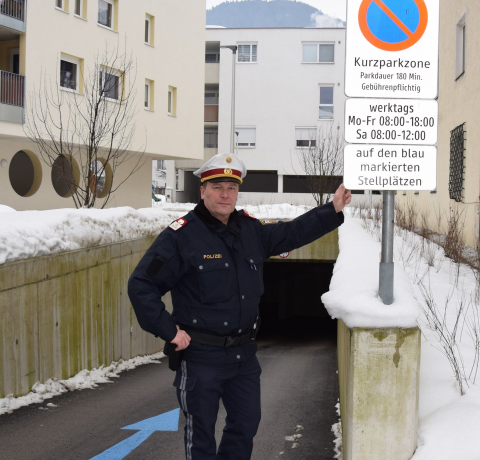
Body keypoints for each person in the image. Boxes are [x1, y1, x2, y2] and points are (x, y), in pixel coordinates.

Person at [128, 152, 351, 460]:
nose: (225, 194)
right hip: (201, 356)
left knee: (245, 426)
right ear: (203, 190)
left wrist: (332, 209)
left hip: (243, 356)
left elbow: (290, 233)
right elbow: (141, 284)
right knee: (201, 435)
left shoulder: (249, 230)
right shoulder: (181, 237)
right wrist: (168, 330)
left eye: (231, 188)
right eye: (217, 187)